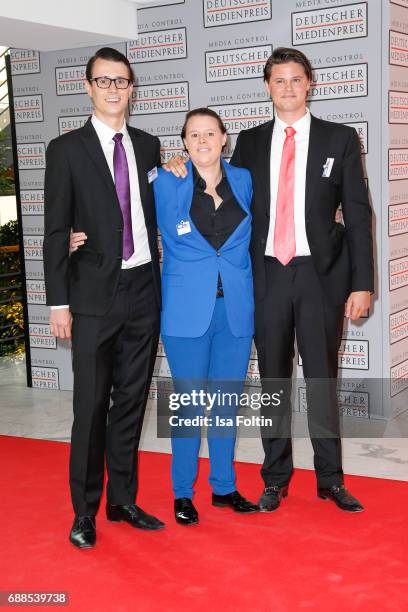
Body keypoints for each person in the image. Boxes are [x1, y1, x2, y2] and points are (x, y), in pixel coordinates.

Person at [165, 48, 374, 513]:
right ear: (267, 87)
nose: (287, 88)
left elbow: (358, 216)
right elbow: (213, 183)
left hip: (321, 276)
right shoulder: (250, 142)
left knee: (322, 379)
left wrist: (363, 283)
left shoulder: (339, 139)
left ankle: (331, 479)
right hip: (266, 278)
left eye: (295, 80)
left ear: (309, 83)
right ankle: (275, 478)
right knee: (274, 380)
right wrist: (178, 165)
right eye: (278, 81)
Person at [43, 47, 165, 549]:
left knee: (132, 402)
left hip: (143, 289)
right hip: (92, 296)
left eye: (122, 81)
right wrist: (58, 302)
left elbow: (162, 207)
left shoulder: (149, 145)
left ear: (132, 88)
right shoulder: (66, 149)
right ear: (88, 87)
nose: (114, 89)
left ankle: (123, 499)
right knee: (91, 405)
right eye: (104, 81)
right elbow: (54, 231)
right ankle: (85, 511)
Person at [154, 108, 257, 525]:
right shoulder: (166, 180)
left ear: (224, 138)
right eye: (193, 135)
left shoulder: (245, 180)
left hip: (234, 309)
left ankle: (224, 486)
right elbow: (133, 220)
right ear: (183, 143)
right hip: (185, 312)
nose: (202, 141)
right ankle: (182, 493)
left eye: (209, 133)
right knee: (189, 406)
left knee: (227, 405)